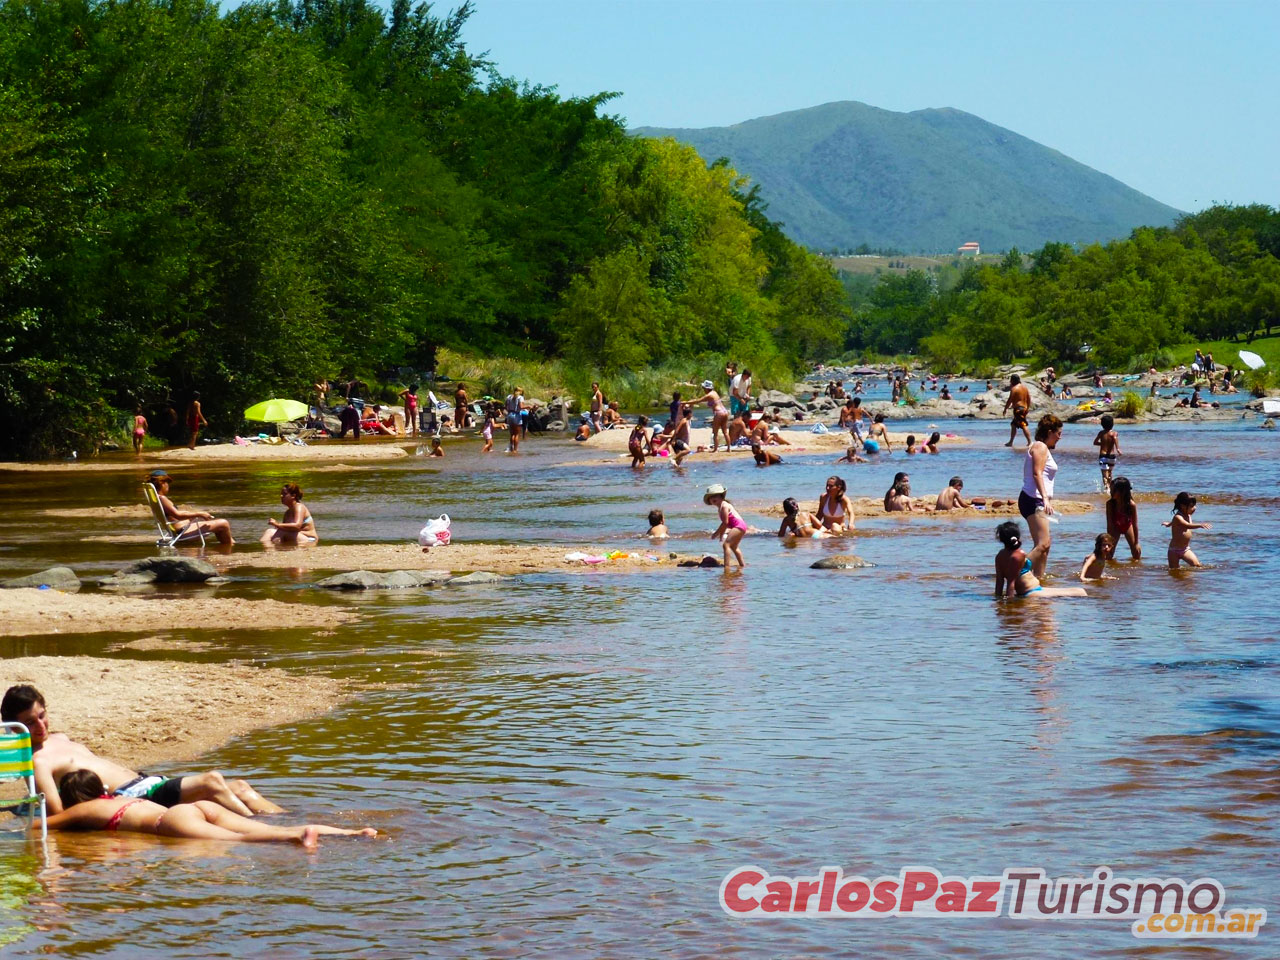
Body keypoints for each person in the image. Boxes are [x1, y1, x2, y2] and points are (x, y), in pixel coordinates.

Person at [1, 685, 279, 816]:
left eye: (42, 715)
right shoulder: (37, 760)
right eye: (29, 722)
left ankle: (283, 820)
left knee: (241, 787)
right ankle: (259, 828)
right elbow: (56, 809)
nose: (40, 725)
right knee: (212, 780)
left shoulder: (61, 737)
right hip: (134, 796)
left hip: (149, 781)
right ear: (15, 727)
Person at [45, 770, 373, 848]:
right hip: (195, 807)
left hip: (169, 821)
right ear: (102, 789)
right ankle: (352, 832)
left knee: (245, 842)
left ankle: (298, 838)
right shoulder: (115, 798)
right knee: (263, 829)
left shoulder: (84, 810)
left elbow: (42, 826)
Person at [994, 521, 1087, 599]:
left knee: (1079, 591)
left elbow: (999, 582)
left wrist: (998, 601)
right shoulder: (1018, 555)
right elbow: (1011, 582)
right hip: (1030, 592)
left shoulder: (999, 556)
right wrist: (1011, 606)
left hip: (1034, 590)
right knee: (1081, 592)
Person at [1020, 415, 1063, 579]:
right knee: (1043, 544)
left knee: (1044, 546)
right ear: (1050, 432)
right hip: (1033, 499)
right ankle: (1016, 570)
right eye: (1058, 433)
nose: (1060, 437)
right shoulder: (1040, 447)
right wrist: (1045, 499)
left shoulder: (1042, 447)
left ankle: (1038, 578)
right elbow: (1037, 473)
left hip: (1036, 499)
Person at [148, 470, 233, 545]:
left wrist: (191, 515)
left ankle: (229, 546)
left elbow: (174, 515)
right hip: (183, 532)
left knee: (219, 527)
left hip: (179, 530)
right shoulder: (162, 499)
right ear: (162, 483)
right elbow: (177, 515)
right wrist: (200, 514)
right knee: (223, 523)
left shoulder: (155, 499)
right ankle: (230, 549)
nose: (168, 486)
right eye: (168, 482)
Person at [1163, 492, 1210, 568]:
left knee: (1197, 565)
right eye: (1191, 506)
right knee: (1174, 570)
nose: (1195, 508)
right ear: (1183, 506)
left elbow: (1175, 522)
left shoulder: (1188, 515)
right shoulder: (1178, 517)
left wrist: (1169, 524)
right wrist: (1200, 525)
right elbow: (1186, 525)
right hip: (1173, 551)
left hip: (1185, 549)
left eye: (1195, 505)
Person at [704, 483, 746, 569]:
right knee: (734, 547)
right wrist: (721, 535)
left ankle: (727, 566)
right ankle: (742, 565)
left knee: (726, 545)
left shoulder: (724, 506)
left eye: (716, 496)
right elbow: (725, 524)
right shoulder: (721, 507)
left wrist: (716, 533)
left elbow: (725, 522)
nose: (713, 498)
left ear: (721, 497)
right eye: (711, 497)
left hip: (738, 526)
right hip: (741, 526)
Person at [685, 380, 730, 452]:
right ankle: (729, 448)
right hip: (725, 412)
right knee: (725, 432)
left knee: (715, 432)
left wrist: (685, 402)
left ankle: (715, 450)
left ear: (706, 388)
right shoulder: (714, 393)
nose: (703, 389)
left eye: (704, 388)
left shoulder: (709, 395)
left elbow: (698, 401)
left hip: (718, 413)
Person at [1003, 374, 1032, 447]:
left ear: (1013, 380)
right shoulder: (1025, 388)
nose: (1010, 382)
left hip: (1018, 409)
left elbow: (1010, 400)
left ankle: (1030, 442)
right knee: (1013, 424)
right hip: (1024, 408)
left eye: (1011, 380)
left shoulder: (1014, 388)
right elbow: (1029, 399)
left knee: (1023, 425)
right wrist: (1027, 408)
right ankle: (1011, 442)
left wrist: (1005, 409)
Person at [1093, 414, 1120, 493]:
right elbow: (1115, 438)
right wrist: (1117, 448)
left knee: (1104, 474)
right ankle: (1111, 489)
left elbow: (1095, 442)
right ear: (1112, 424)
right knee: (1110, 473)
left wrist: (1102, 444)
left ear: (1102, 424)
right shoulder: (1114, 433)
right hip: (1112, 456)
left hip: (1103, 456)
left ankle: (1106, 489)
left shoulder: (1101, 433)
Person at [505, 388, 525, 452]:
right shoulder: (520, 397)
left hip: (509, 415)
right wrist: (529, 407)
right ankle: (515, 450)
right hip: (516, 415)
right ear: (520, 392)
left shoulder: (509, 397)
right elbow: (521, 407)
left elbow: (506, 406)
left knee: (512, 434)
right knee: (516, 434)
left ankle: (511, 448)